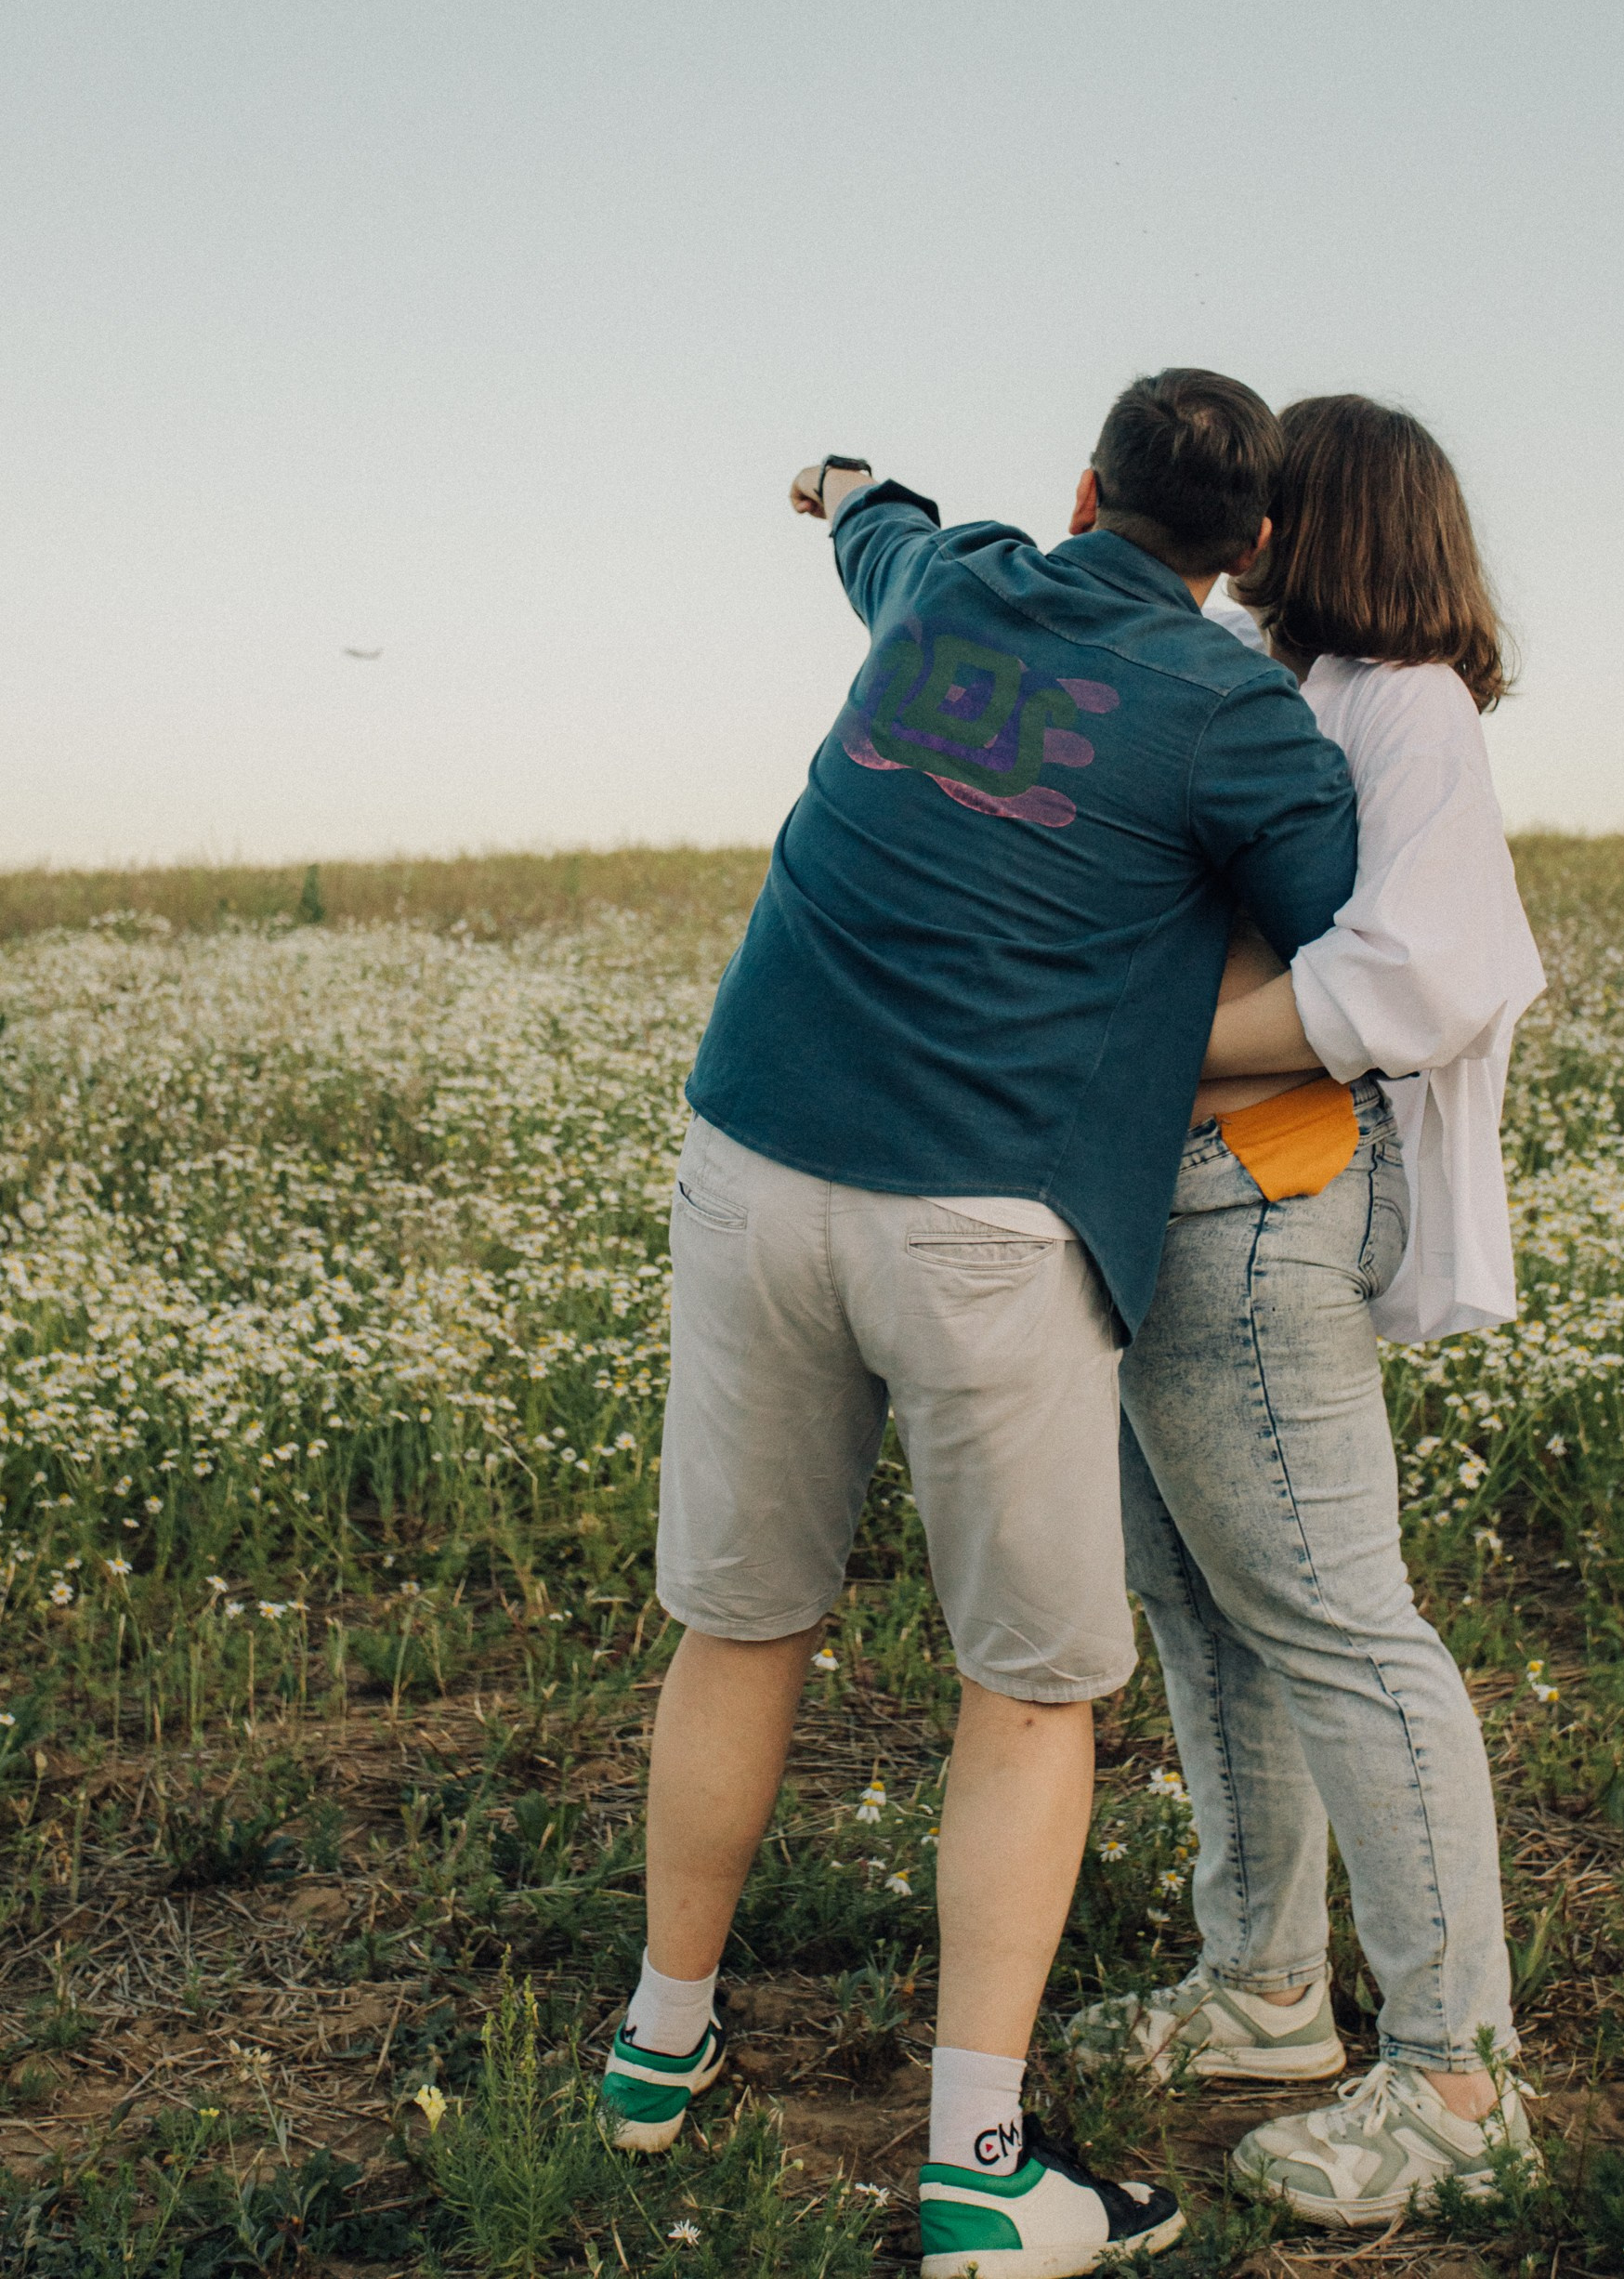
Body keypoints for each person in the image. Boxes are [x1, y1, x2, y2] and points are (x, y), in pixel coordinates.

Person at [598, 372, 1360, 2279]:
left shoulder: (945, 584)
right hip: (983, 1209)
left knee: (737, 1620)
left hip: (753, 1155)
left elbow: (870, 508)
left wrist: (837, 473)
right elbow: (1348, 935)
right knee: (1030, 1688)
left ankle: (655, 2045)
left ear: (1086, 486)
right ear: (1248, 551)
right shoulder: (1230, 706)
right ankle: (980, 2167)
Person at [1070, 396, 1546, 2231]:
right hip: (1180, 1208)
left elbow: (1423, 969)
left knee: (1342, 1627)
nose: (1241, 535)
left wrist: (1141, 1048)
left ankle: (1452, 2076)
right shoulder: (1301, 696)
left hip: (1258, 1196)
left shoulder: (1402, 699)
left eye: (1270, 505)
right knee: (1209, 1609)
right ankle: (1264, 1988)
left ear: (1320, 521)